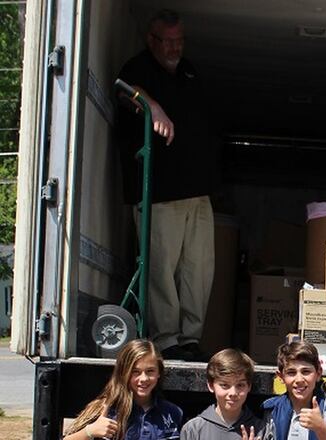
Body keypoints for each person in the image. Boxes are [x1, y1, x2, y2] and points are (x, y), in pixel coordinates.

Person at [116, 8, 217, 361]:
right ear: (152, 40)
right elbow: (127, 90)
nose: (175, 48)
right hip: (159, 194)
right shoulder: (139, 67)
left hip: (197, 191)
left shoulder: (190, 72)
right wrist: (152, 107)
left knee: (199, 268)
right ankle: (167, 340)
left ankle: (190, 338)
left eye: (179, 41)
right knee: (161, 267)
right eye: (168, 41)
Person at [63, 339, 183, 440]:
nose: (144, 378)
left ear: (159, 373)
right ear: (123, 373)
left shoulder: (172, 413)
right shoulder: (104, 409)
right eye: (135, 372)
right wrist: (89, 431)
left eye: (150, 371)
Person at [261, 341, 326, 440]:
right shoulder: (271, 410)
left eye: (306, 372)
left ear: (318, 373)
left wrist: (321, 430)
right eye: (291, 372)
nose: (299, 380)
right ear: (281, 377)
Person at [181, 348, 265, 439]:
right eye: (225, 385)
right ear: (211, 386)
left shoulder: (262, 430)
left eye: (240, 385)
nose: (233, 393)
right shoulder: (193, 429)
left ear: (249, 386)